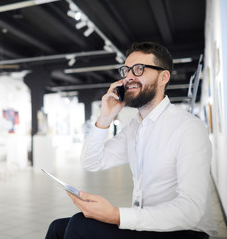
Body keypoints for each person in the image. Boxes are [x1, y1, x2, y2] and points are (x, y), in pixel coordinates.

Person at [45, 42, 217, 239]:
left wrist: (116, 216)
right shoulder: (135, 127)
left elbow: (191, 211)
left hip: (185, 231)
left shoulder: (188, 128)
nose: (128, 77)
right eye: (126, 70)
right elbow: (92, 162)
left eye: (139, 69)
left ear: (164, 77)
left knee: (80, 225)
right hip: (149, 224)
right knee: (57, 227)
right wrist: (106, 118)